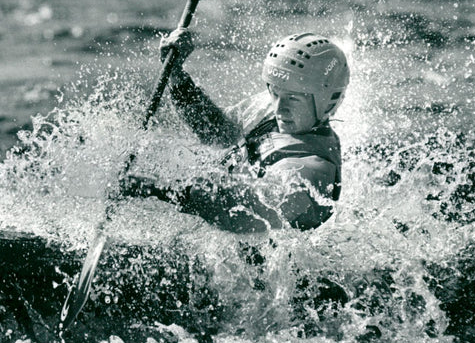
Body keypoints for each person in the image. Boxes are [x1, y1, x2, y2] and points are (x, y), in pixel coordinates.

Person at [119, 28, 350, 233]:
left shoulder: (312, 167)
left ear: (327, 102)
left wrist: (158, 189)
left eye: (293, 98)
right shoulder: (274, 106)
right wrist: (177, 76)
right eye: (275, 92)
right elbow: (216, 132)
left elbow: (246, 215)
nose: (279, 107)